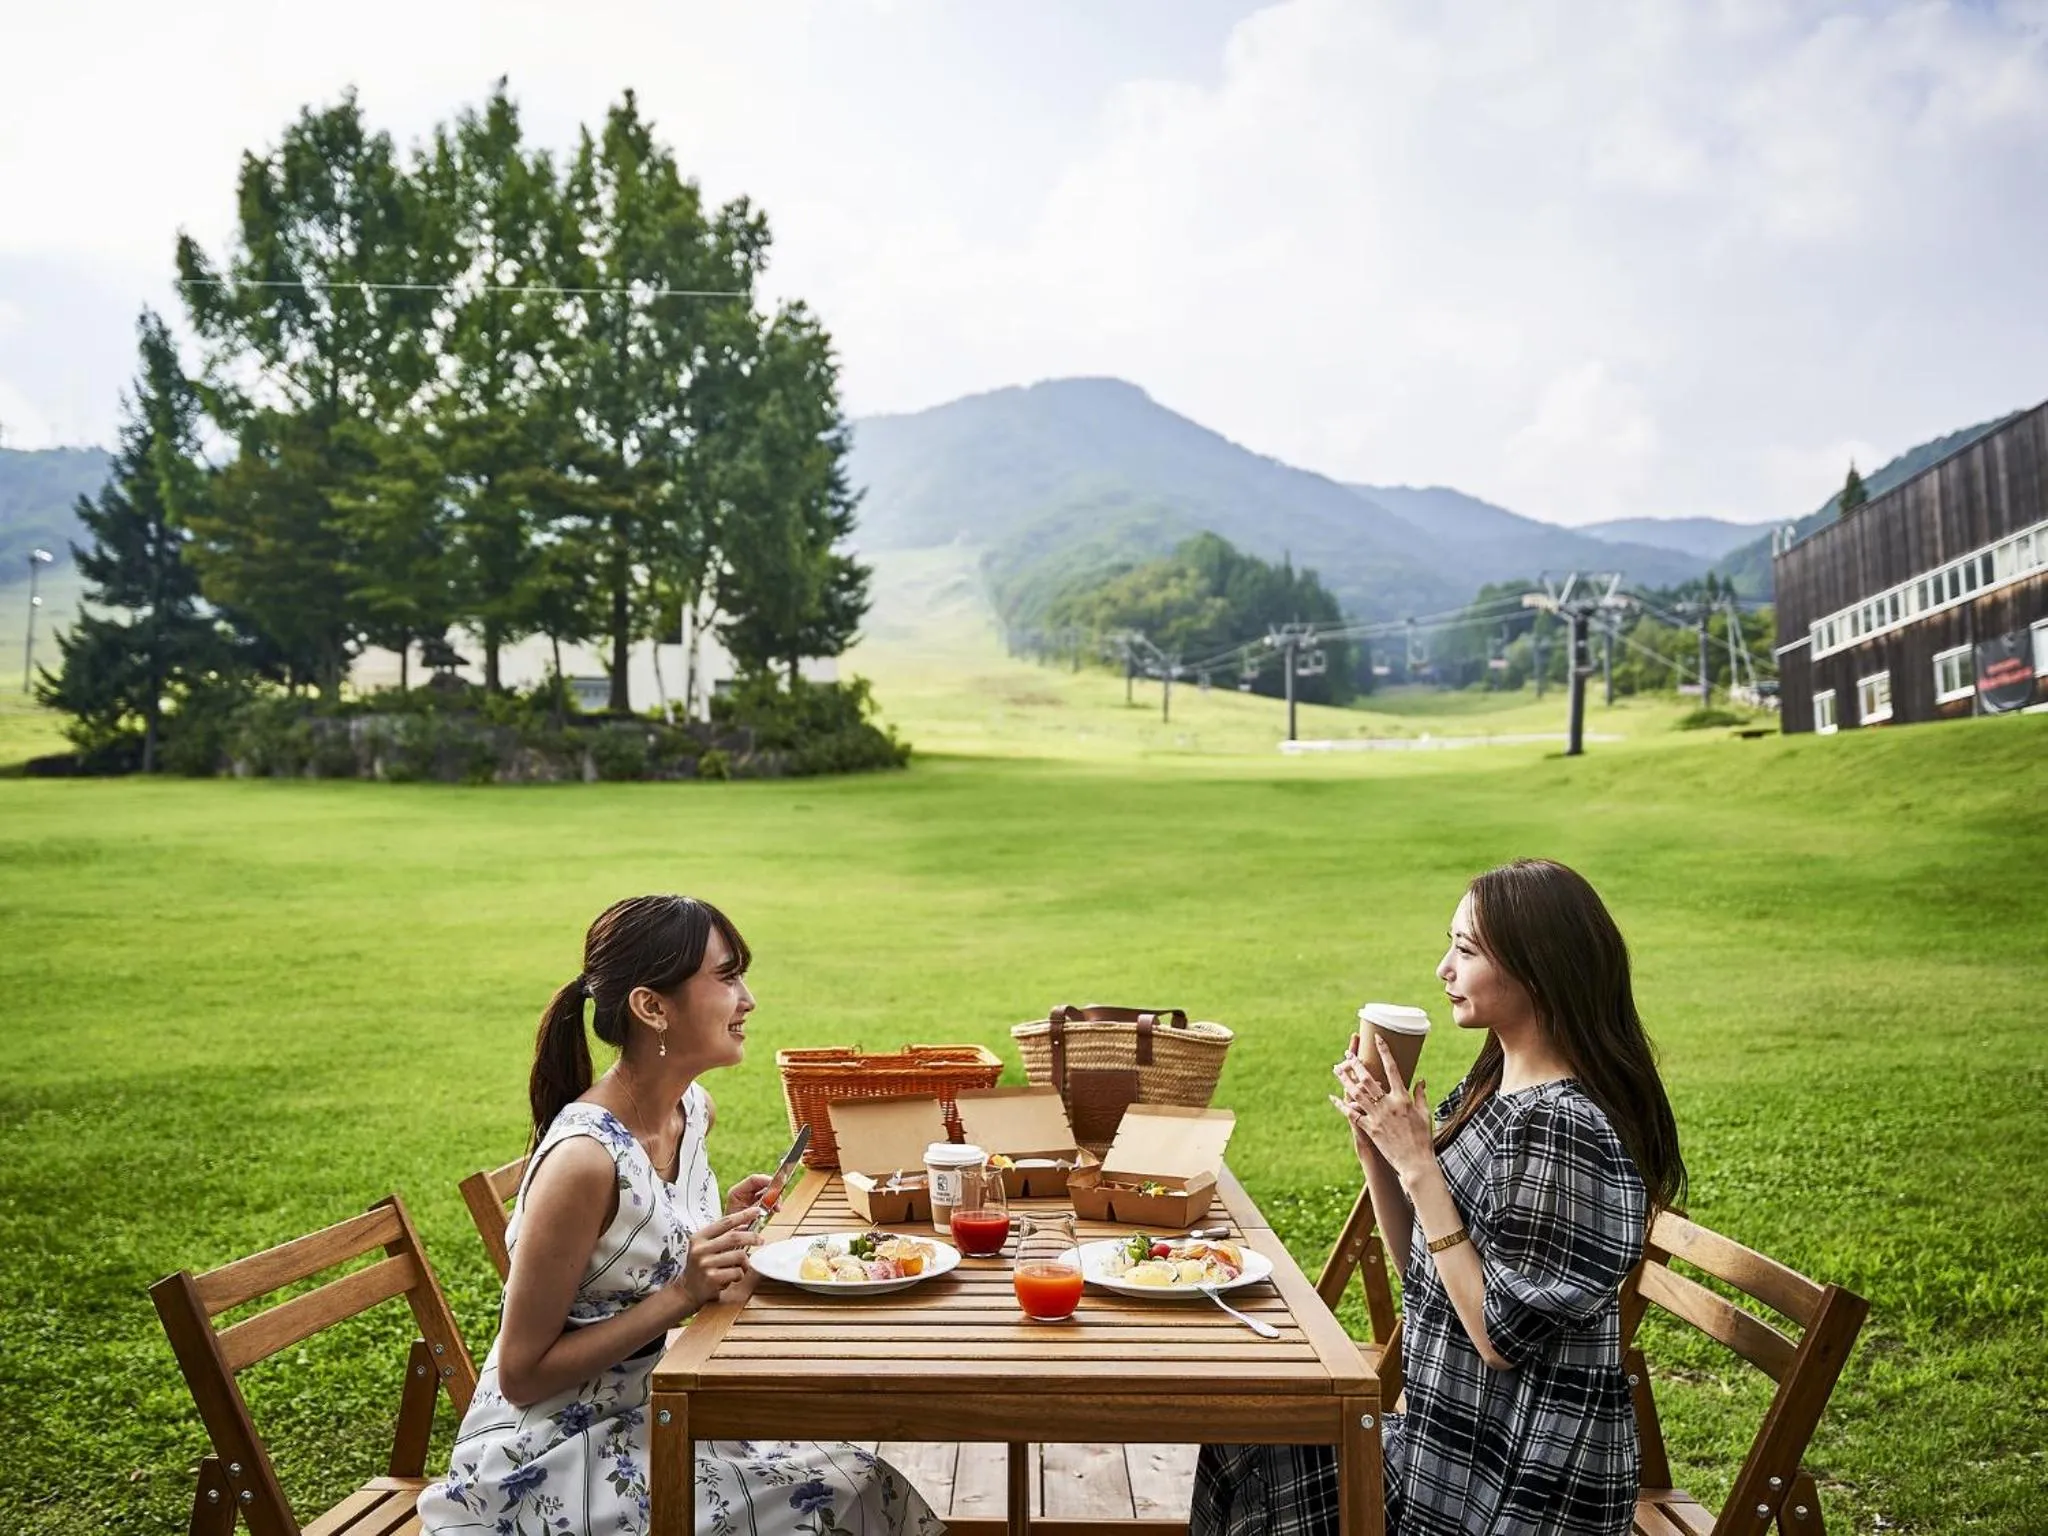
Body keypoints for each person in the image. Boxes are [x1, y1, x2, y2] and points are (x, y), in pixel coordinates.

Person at [419, 894, 944, 1536]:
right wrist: (683, 1291)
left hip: (662, 1407)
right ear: (651, 1006)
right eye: (726, 978)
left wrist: (717, 1228)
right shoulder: (584, 1161)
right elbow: (523, 1376)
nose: (747, 999)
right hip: (551, 1459)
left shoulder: (692, 1111)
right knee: (848, 1493)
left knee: (862, 1480)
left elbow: (631, 1249)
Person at [1193, 859, 1686, 1536]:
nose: (1442, 969)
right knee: (1244, 1435)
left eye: (1465, 949)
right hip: (1442, 1452)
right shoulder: (1495, 1086)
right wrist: (1378, 1153)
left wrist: (1420, 1168)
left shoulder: (1563, 1128)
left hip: (1514, 1489)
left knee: (1258, 1448)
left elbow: (1499, 1338)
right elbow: (1430, 1274)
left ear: (1537, 968)